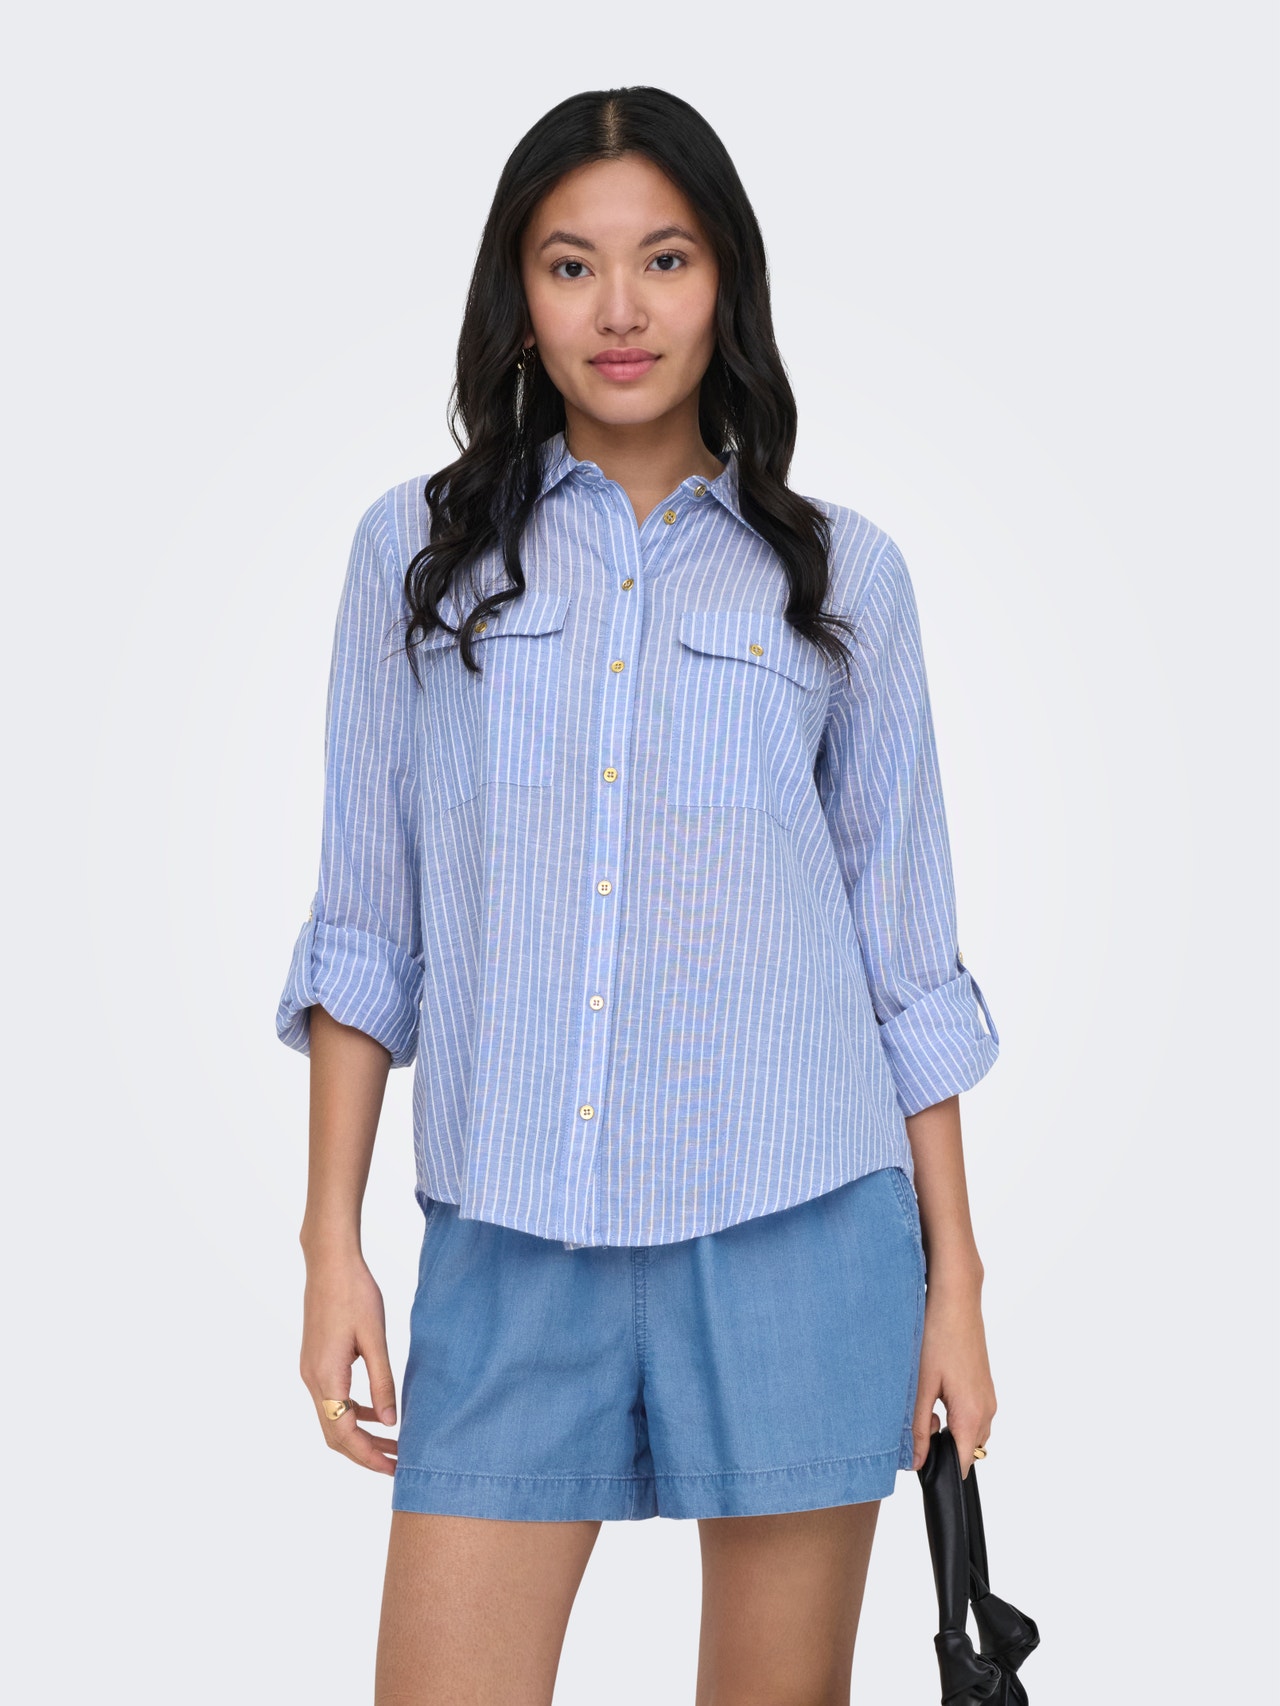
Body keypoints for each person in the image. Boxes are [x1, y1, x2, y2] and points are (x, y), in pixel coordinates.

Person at [275, 84, 1001, 1705]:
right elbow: (366, 927)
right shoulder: (414, 558)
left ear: (725, 281)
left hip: (797, 1228)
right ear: (518, 296)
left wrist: (956, 1282)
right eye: (571, 264)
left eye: (664, 260)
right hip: (511, 1230)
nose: (620, 309)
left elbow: (905, 965)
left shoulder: (845, 579)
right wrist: (332, 1242)